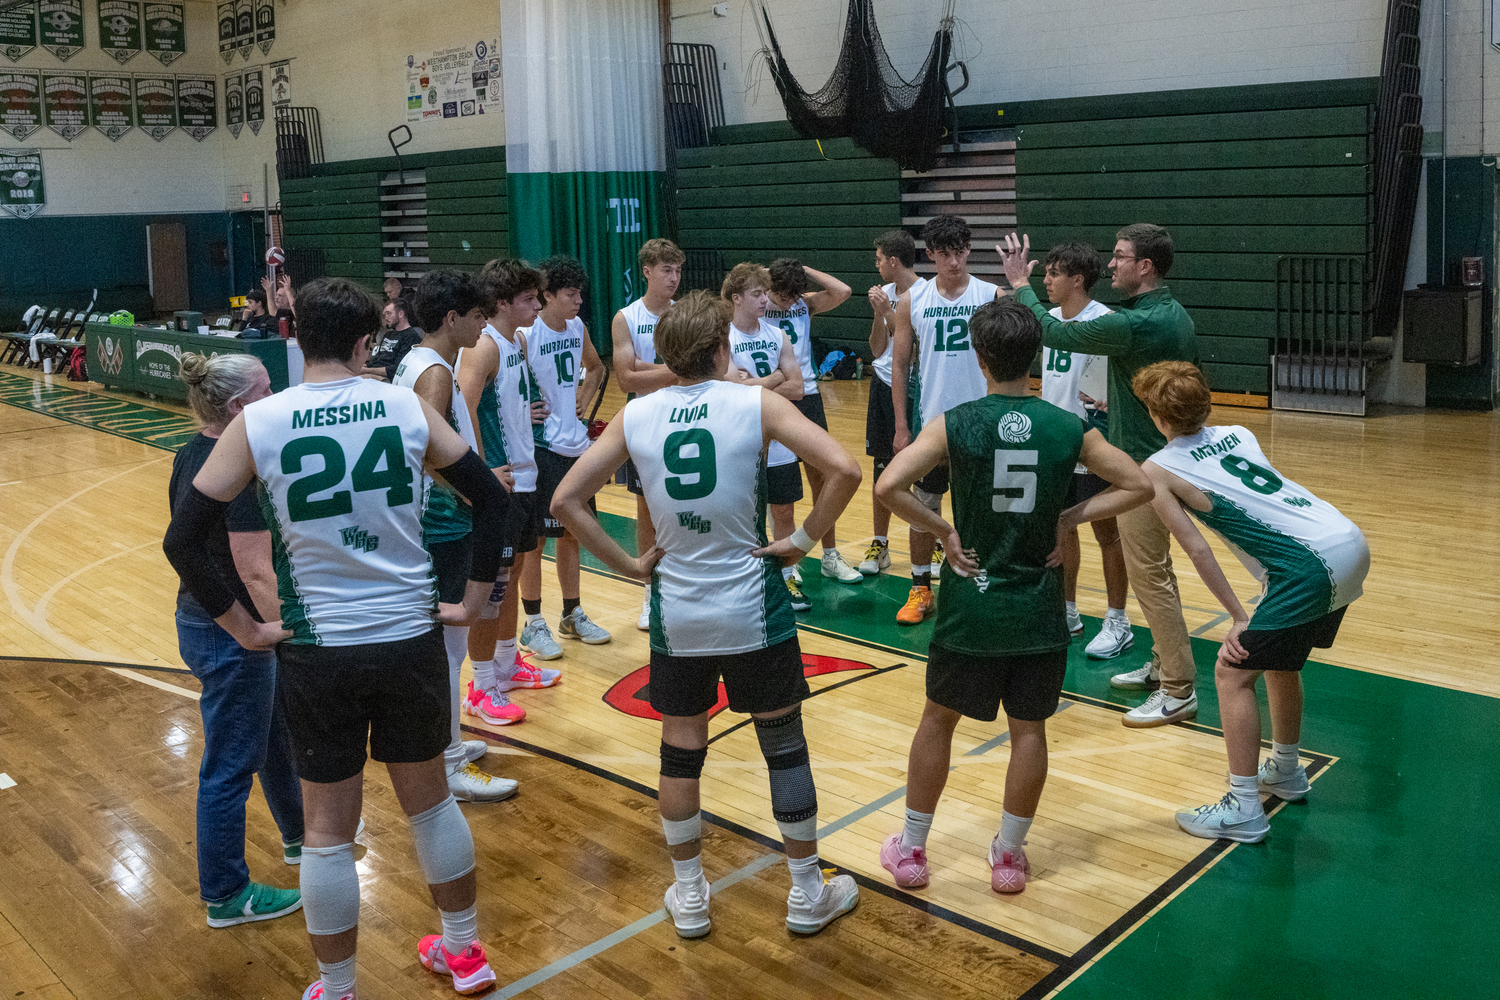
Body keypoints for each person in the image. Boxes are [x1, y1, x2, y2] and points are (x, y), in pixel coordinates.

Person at [162, 276, 513, 1000]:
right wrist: (473, 599)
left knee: (326, 829)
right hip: (409, 638)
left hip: (318, 651)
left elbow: (184, 540)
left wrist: (244, 628)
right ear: (364, 343)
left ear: (293, 338)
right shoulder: (406, 406)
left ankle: (340, 987)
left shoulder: (260, 423)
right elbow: (492, 501)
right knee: (431, 806)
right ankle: (465, 956)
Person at [550, 290, 864, 938]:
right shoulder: (754, 402)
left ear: (665, 354)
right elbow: (843, 468)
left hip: (679, 612)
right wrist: (802, 540)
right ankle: (806, 892)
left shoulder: (637, 417)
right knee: (783, 745)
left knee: (681, 751)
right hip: (753, 604)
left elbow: (566, 500)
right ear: (721, 348)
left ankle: (690, 896)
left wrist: (630, 565)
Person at [874, 301, 1152, 894]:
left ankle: (913, 849)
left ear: (979, 359)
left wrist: (945, 532)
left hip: (971, 605)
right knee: (1028, 731)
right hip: (1036, 608)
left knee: (938, 721)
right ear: (1038, 358)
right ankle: (1007, 855)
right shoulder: (1068, 426)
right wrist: (1067, 515)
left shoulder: (955, 422)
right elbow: (1139, 484)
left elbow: (889, 485)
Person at [1131, 362, 1369, 842]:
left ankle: (1243, 808)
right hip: (1346, 539)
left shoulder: (1157, 469)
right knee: (1282, 662)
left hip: (1309, 567)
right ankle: (1285, 769)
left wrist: (1239, 616)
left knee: (1231, 672)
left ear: (1156, 417)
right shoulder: (1239, 432)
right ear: (1207, 402)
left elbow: (1196, 548)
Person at [1001, 225, 1200, 728]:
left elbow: (1055, 332)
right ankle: (1163, 663)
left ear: (1145, 267)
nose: (1112, 265)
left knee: (1150, 577)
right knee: (1155, 572)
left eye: (1120, 257)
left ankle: (1178, 690)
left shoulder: (1134, 323)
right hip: (1163, 456)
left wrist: (1020, 283)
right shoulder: (1166, 312)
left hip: (1150, 467)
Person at [169, 352, 304, 929]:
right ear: (238, 407)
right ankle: (226, 893)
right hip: (232, 632)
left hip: (202, 620)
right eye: (267, 388)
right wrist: (283, 634)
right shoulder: (240, 472)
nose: (277, 394)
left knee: (272, 733)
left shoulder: (190, 453)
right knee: (228, 765)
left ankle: (300, 836)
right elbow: (255, 571)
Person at [396, 270, 518, 803]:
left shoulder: (416, 360)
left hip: (437, 519)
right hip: (442, 523)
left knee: (449, 647)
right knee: (448, 649)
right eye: (476, 315)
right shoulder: (436, 376)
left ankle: (449, 741)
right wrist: (481, 485)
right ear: (452, 318)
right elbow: (431, 453)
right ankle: (447, 764)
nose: (483, 324)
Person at [458, 258, 559, 727]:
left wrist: (526, 413)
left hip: (527, 476)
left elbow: (506, 402)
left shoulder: (517, 340)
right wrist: (480, 469)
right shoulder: (483, 348)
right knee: (493, 586)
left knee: (514, 575)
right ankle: (481, 687)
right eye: (528, 300)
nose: (537, 306)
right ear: (501, 304)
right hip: (502, 483)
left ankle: (505, 664)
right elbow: (464, 407)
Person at [889, 215, 1004, 625]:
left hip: (984, 424)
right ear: (931, 255)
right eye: (944, 254)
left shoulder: (992, 295)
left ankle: (984, 583)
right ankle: (921, 587)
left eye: (959, 252)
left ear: (969, 250)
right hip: (933, 425)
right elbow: (899, 365)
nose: (953, 262)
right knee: (924, 509)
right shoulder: (912, 301)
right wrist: (902, 425)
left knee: (984, 512)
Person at [1039, 242, 1134, 659]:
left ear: (1077, 279)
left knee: (1107, 533)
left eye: (1054, 273)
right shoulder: (1047, 321)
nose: (1046, 280)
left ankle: (1118, 619)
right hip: (1056, 440)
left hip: (1095, 442)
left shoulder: (1108, 322)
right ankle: (1068, 609)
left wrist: (1115, 402)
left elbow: (1127, 382)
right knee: (1062, 526)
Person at [517, 255, 612, 657]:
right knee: (536, 541)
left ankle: (571, 614)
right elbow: (506, 388)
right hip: (542, 448)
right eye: (570, 295)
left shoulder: (577, 327)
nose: (578, 302)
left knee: (571, 535)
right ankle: (533, 622)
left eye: (580, 294)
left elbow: (597, 369)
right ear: (547, 295)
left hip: (575, 448)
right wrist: (526, 410)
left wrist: (581, 403)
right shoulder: (526, 334)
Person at [765, 258, 859, 585]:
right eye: (785, 295)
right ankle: (781, 556)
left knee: (823, 478)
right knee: (779, 488)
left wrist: (803, 271)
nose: (790, 302)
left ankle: (830, 555)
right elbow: (729, 294)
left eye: (795, 295)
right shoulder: (759, 303)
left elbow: (843, 290)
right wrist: (768, 277)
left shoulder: (804, 303)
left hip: (808, 396)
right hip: (773, 396)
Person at [721, 262, 808, 610]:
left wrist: (753, 384)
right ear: (737, 298)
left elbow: (799, 387)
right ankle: (746, 577)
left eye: (765, 293)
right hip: (741, 440)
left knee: (783, 512)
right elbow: (728, 385)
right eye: (757, 294)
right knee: (743, 514)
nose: (764, 300)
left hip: (779, 441)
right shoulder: (723, 337)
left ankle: (787, 577)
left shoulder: (777, 334)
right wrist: (772, 380)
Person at [612, 238, 684, 631]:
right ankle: (650, 590)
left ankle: (682, 584)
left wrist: (646, 367)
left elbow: (697, 368)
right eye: (666, 270)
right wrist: (675, 370)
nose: (673, 278)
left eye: (677, 271)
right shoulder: (626, 317)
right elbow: (625, 377)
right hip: (647, 421)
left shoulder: (685, 313)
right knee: (647, 510)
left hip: (687, 417)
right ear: (647, 271)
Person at [861, 230, 926, 576]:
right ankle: (880, 543)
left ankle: (936, 541)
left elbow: (912, 352)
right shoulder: (884, 294)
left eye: (878, 258)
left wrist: (890, 313)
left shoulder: (924, 295)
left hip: (914, 390)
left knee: (923, 473)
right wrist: (878, 315)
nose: (876, 265)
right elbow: (876, 350)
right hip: (881, 387)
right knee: (882, 468)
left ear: (893, 261)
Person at [365, 298, 423, 382]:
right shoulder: (388, 334)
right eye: (385, 314)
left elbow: (397, 369)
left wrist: (367, 371)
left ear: (401, 314)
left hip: (389, 379)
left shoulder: (411, 337)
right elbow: (377, 358)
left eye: (389, 313)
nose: (386, 318)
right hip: (373, 374)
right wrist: (364, 367)